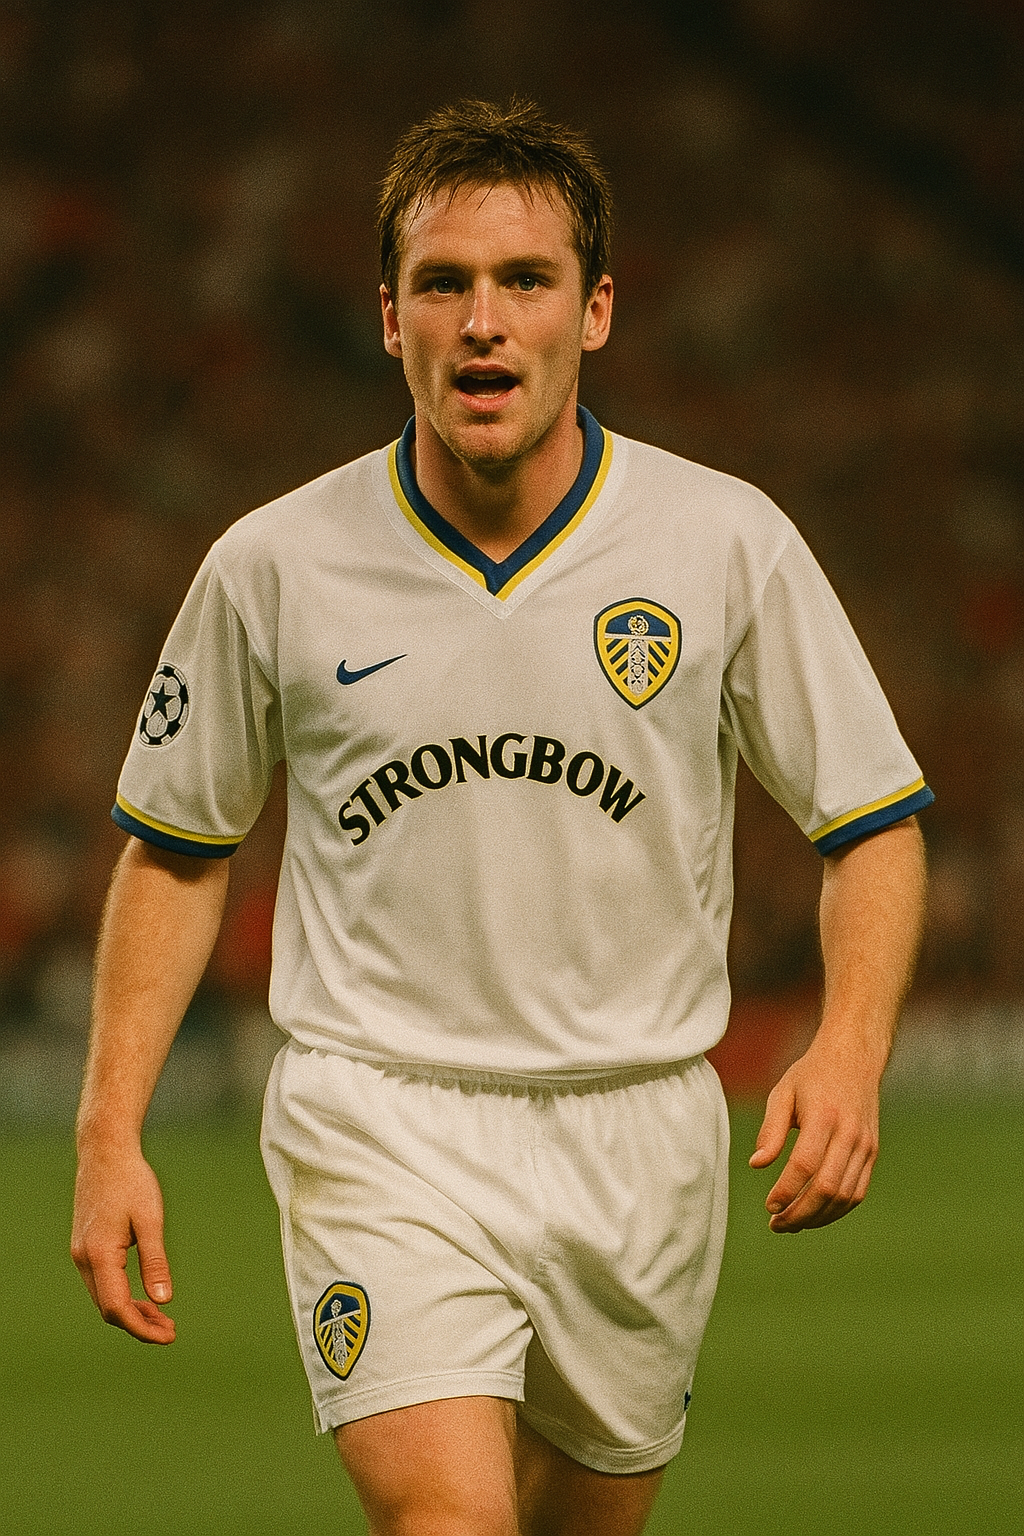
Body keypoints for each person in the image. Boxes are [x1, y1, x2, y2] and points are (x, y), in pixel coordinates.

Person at [72, 99, 931, 1536]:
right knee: (452, 1522)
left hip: (638, 1129)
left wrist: (851, 1048)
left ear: (595, 311)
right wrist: (109, 1134)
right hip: (380, 1114)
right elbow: (176, 850)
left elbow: (872, 824)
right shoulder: (272, 565)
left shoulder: (725, 543)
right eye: (443, 284)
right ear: (388, 317)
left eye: (525, 280)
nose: (483, 321)